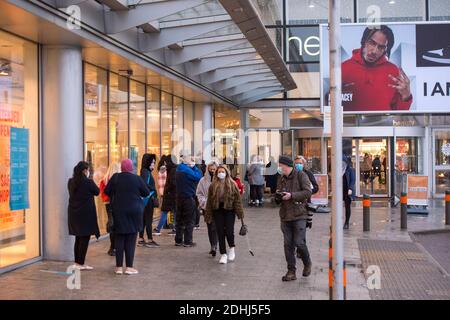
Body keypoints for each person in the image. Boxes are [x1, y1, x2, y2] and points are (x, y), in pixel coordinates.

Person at [341, 25, 412, 111]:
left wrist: (406, 96)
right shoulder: (343, 68)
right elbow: (330, 106)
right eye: (372, 43)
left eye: (381, 47)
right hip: (350, 123)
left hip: (383, 124)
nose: (375, 51)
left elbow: (399, 115)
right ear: (364, 41)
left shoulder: (393, 71)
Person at [104, 159, 150, 275]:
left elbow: (107, 191)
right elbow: (146, 192)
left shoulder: (116, 177)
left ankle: (119, 267)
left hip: (118, 211)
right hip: (134, 211)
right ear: (131, 168)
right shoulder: (137, 178)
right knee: (131, 238)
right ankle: (129, 267)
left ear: (122, 167)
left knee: (119, 238)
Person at [275, 155, 312, 281]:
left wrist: (292, 195)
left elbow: (308, 192)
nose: (279, 168)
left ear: (287, 166)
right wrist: (277, 197)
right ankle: (291, 271)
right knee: (288, 245)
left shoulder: (301, 175)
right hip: (285, 216)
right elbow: (278, 193)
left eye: (281, 166)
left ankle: (307, 263)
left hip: (299, 214)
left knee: (299, 242)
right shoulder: (281, 178)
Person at [204, 165, 244, 264]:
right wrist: (208, 214)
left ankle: (232, 247)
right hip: (217, 210)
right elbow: (209, 201)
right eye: (219, 172)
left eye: (223, 172)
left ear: (226, 173)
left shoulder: (232, 184)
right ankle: (223, 254)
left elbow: (237, 200)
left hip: (230, 209)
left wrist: (240, 213)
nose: (221, 173)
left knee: (229, 231)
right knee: (220, 232)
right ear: (216, 174)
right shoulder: (213, 185)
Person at [68, 161, 100, 270]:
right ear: (84, 171)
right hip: (86, 215)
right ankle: (81, 263)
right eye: (87, 170)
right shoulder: (88, 182)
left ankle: (77, 262)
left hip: (74, 214)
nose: (88, 172)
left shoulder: (71, 182)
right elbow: (97, 191)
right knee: (84, 239)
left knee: (78, 238)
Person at [175, 155, 202, 247]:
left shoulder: (178, 168)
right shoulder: (187, 170)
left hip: (179, 197)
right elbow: (198, 177)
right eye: (191, 159)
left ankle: (178, 240)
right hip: (188, 197)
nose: (192, 161)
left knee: (179, 219)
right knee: (189, 220)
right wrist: (194, 167)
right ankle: (187, 241)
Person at [196, 161, 218, 257]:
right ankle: (213, 245)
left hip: (218, 207)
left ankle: (215, 245)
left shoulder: (221, 179)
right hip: (207, 208)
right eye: (211, 169)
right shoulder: (203, 180)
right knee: (210, 226)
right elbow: (199, 193)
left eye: (214, 169)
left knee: (216, 227)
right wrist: (204, 203)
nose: (212, 171)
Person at [99, 162, 121, 256]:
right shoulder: (120, 179)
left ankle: (112, 247)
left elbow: (103, 194)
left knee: (111, 223)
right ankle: (118, 246)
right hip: (118, 204)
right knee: (118, 224)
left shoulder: (104, 179)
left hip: (108, 204)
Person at [138, 153, 160, 248]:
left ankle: (141, 239)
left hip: (145, 200)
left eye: (154, 162)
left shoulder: (145, 171)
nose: (153, 165)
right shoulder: (146, 172)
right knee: (148, 220)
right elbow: (144, 185)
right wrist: (153, 190)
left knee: (144, 220)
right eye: (152, 162)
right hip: (147, 200)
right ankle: (149, 239)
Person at [160, 155, 177, 236]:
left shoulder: (173, 170)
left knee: (167, 211)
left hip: (171, 195)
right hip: (171, 194)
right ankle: (173, 228)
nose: (165, 164)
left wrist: (167, 189)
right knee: (171, 211)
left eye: (166, 162)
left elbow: (173, 183)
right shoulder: (172, 169)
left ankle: (174, 228)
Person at [153, 155, 168, 235]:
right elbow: (164, 183)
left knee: (165, 211)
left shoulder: (161, 170)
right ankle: (160, 228)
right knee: (166, 211)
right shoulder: (165, 170)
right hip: (166, 193)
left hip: (163, 193)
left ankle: (165, 226)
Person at [343, 155, 356, 230]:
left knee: (347, 207)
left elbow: (352, 180)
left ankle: (346, 222)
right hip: (340, 190)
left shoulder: (350, 169)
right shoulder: (339, 169)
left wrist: (350, 188)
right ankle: (336, 222)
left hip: (347, 191)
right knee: (336, 207)